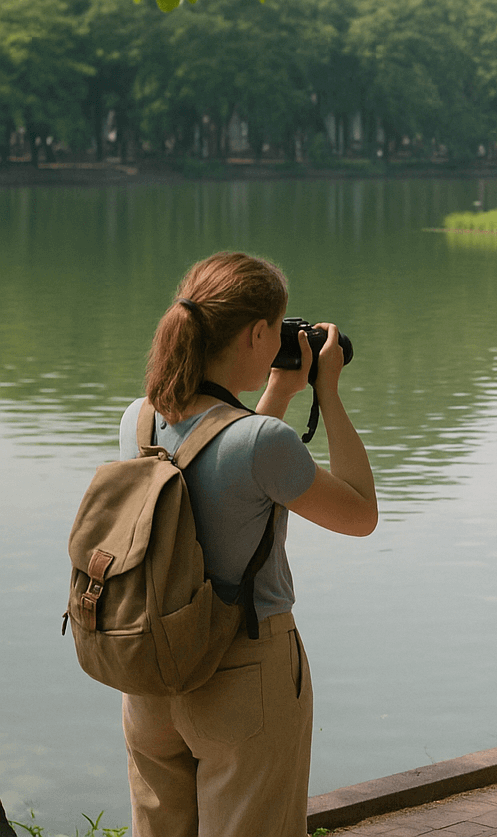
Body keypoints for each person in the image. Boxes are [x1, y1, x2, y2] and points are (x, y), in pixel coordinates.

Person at [118, 252, 377, 836]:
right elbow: (360, 514)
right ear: (259, 333)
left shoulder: (137, 419)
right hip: (243, 672)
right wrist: (327, 393)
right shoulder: (265, 443)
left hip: (152, 671)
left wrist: (279, 395)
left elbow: (220, 464)